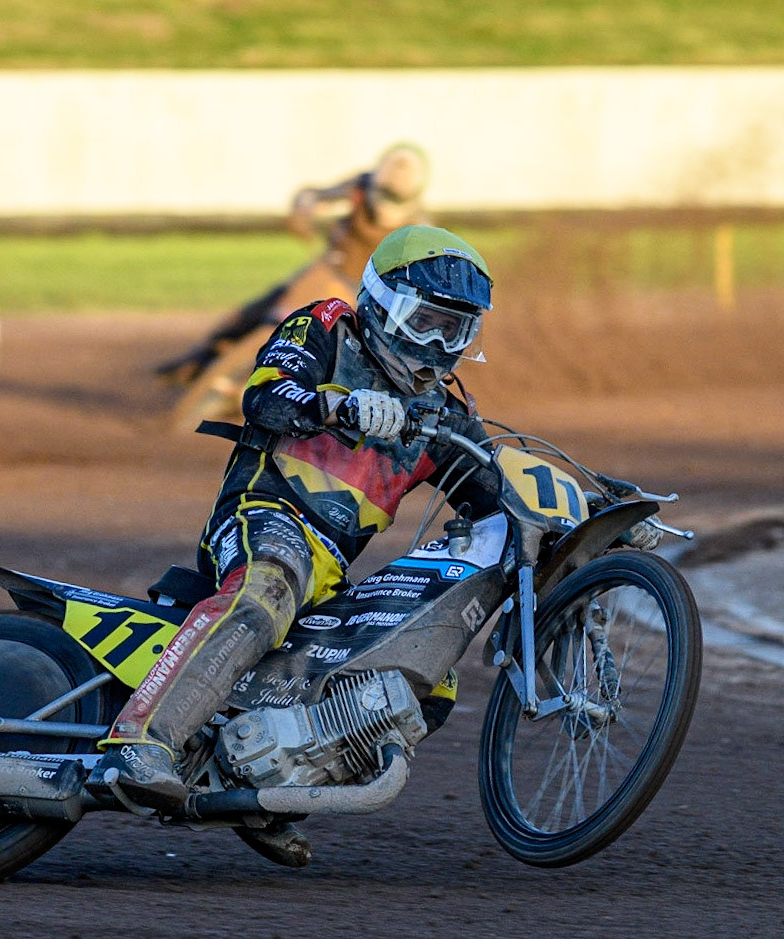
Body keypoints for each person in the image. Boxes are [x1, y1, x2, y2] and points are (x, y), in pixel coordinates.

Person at [95, 226, 499, 867]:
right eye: (425, 322)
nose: (436, 345)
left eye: (456, 331)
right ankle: (140, 739)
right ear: (383, 303)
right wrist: (340, 406)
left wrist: (599, 505)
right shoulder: (326, 327)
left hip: (332, 568)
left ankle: (268, 794)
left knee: (430, 676)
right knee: (270, 590)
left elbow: (496, 489)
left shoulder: (444, 415)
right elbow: (264, 396)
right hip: (263, 515)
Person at [158, 144, 432, 387]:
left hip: (354, 294)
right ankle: (202, 358)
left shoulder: (419, 231)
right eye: (384, 192)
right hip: (325, 270)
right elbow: (312, 195)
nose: (386, 204)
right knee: (252, 312)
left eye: (396, 198)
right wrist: (303, 210)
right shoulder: (359, 186)